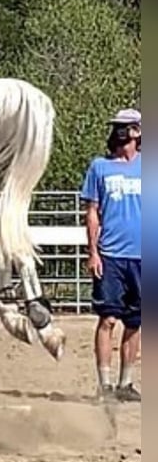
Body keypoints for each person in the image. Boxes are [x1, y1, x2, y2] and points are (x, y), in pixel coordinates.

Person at [80, 108, 141, 402]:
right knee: (107, 318)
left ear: (138, 132)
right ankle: (104, 383)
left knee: (136, 321)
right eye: (118, 127)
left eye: (126, 127)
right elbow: (92, 212)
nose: (121, 131)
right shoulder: (100, 167)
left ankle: (125, 383)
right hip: (112, 255)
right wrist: (93, 252)